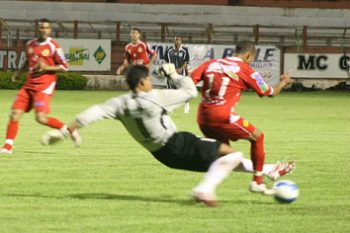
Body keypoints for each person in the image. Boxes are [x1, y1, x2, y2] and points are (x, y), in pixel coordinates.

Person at [42, 64, 292, 206]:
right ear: (142, 83)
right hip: (176, 142)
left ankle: (268, 170)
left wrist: (66, 130)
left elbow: (91, 113)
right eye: (149, 79)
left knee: (220, 160)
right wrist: (174, 75)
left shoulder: (118, 103)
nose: (151, 82)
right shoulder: (156, 98)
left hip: (161, 155)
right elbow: (190, 92)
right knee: (230, 154)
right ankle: (204, 190)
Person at [191, 40, 295, 193]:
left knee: (227, 157)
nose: (251, 61)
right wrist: (283, 83)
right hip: (223, 116)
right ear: (248, 55)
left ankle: (268, 170)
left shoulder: (211, 63)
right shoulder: (245, 69)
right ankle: (257, 182)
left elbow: (189, 80)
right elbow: (270, 93)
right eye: (252, 58)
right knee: (258, 137)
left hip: (203, 118)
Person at [0, 18, 79, 154]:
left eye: (47, 28)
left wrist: (46, 67)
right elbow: (27, 60)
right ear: (38, 29)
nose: (44, 30)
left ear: (50, 30)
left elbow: (65, 66)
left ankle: (68, 129)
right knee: (14, 114)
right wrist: (18, 73)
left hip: (44, 84)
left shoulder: (54, 46)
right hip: (29, 84)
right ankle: (7, 147)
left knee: (40, 118)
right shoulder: (30, 44)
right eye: (42, 27)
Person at [164, 36, 191, 113]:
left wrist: (181, 69)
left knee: (184, 89)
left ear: (181, 41)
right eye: (176, 40)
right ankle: (170, 107)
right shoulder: (169, 50)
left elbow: (186, 62)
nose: (178, 42)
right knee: (170, 89)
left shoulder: (184, 51)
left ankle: (187, 105)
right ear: (174, 41)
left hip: (182, 72)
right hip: (171, 72)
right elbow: (165, 61)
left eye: (179, 40)